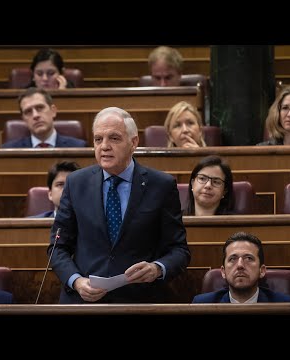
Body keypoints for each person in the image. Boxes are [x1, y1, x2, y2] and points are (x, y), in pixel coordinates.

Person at [48, 106, 190, 304]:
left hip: (140, 300)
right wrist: (77, 281)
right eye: (98, 139)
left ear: (134, 142)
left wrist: (157, 268)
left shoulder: (161, 185)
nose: (104, 146)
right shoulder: (75, 183)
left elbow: (179, 250)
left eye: (114, 138)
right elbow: (57, 248)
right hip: (84, 301)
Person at [192, 231, 290, 303]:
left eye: (249, 258)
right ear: (223, 271)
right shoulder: (203, 304)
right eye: (233, 259)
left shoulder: (284, 305)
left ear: (262, 270)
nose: (240, 265)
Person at [2, 87, 86, 148]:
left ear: (53, 111)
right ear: (24, 119)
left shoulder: (78, 147)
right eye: (28, 112)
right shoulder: (10, 149)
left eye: (40, 108)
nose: (35, 115)